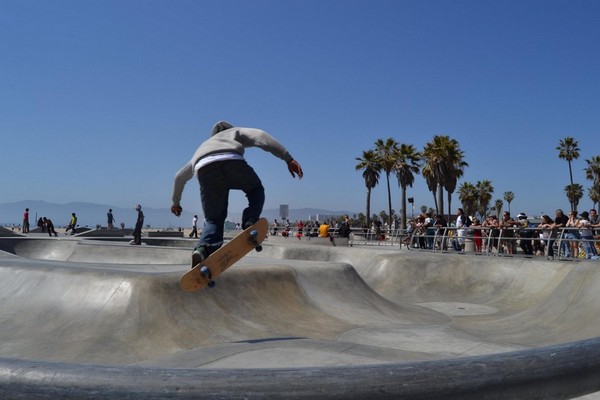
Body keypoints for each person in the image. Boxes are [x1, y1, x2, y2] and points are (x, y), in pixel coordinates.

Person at [170, 121, 303, 266]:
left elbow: (179, 177)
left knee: (213, 220)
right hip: (232, 162)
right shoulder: (234, 132)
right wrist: (288, 158)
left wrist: (176, 203)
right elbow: (260, 135)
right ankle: (250, 221)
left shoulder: (202, 147)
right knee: (255, 190)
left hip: (204, 168)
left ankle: (202, 249)